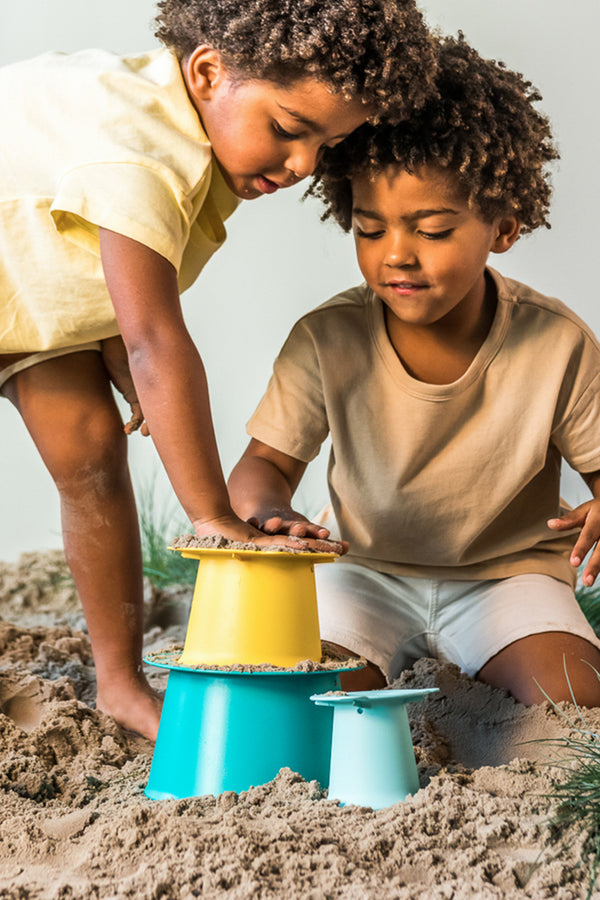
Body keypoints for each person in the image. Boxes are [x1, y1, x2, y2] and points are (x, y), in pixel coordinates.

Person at [0, 0, 437, 740]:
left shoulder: (190, 139)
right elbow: (157, 340)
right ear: (208, 71)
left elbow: (89, 252)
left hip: (26, 286)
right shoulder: (141, 149)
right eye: (289, 130)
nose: (303, 166)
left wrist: (112, 344)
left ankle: (119, 684)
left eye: (326, 145)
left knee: (89, 450)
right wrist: (215, 517)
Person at [228, 33, 600, 708]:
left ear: (504, 226)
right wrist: (270, 512)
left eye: (430, 230)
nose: (396, 255)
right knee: (310, 700)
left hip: (507, 579)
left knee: (573, 704)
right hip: (361, 571)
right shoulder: (328, 337)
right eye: (370, 230)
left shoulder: (557, 343)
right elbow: (265, 466)